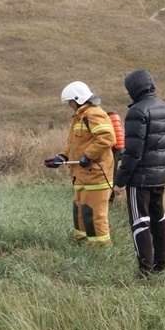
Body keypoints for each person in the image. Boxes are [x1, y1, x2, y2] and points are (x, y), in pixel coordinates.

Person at [112, 69, 165, 276]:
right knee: (159, 219)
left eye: (128, 89)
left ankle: (145, 271)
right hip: (160, 175)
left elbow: (132, 153)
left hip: (139, 180)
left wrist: (120, 181)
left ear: (134, 88)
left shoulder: (136, 112)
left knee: (140, 222)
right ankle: (160, 265)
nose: (127, 93)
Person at [44, 81, 117, 245]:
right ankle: (82, 242)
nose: (69, 105)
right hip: (82, 175)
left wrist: (88, 156)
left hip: (96, 175)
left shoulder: (94, 114)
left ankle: (100, 249)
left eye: (70, 101)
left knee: (95, 214)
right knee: (80, 211)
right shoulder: (79, 117)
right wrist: (61, 158)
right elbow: (73, 144)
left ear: (78, 99)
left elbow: (107, 138)